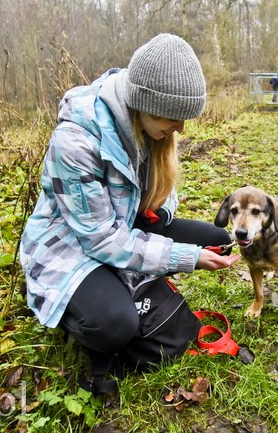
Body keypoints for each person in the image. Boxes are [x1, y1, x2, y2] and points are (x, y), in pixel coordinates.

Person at [19, 33, 239, 395]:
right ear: (143, 104)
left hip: (122, 227)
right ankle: (83, 314)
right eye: (174, 118)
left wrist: (159, 213)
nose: (181, 129)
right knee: (116, 324)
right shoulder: (76, 140)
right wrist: (184, 257)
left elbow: (164, 195)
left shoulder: (151, 127)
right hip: (69, 247)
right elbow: (101, 238)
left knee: (218, 242)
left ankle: (128, 283)